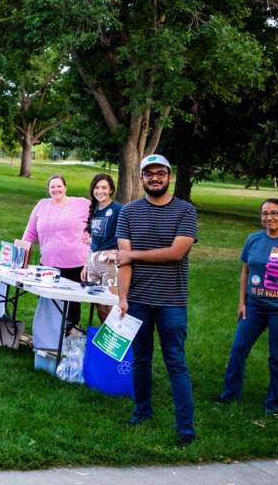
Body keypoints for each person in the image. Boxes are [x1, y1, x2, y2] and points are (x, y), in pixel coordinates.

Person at [115, 154, 198, 446]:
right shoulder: (128, 213)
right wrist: (122, 297)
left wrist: (134, 254)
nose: (155, 178)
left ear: (169, 176)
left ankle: (185, 427)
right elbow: (123, 262)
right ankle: (141, 414)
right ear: (141, 179)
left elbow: (177, 252)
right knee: (140, 361)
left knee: (176, 362)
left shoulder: (186, 211)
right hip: (136, 300)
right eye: (148, 174)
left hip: (171, 302)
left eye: (160, 173)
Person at [215, 198, 278, 414]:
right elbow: (245, 272)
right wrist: (242, 303)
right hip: (255, 306)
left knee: (277, 356)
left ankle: (273, 403)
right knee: (238, 349)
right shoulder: (253, 239)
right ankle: (229, 395)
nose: (269, 217)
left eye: (274, 213)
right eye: (265, 213)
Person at [22, 174, 90, 332]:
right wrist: (19, 255)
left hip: (75, 264)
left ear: (65, 187)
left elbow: (100, 219)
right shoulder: (42, 205)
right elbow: (30, 232)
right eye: (52, 186)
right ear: (48, 190)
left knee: (71, 303)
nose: (56, 189)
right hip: (47, 265)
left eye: (59, 186)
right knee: (47, 300)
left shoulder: (81, 204)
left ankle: (69, 334)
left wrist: (93, 237)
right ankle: (50, 334)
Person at [83, 173, 122, 322]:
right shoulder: (95, 209)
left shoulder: (118, 209)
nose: (100, 191)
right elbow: (94, 238)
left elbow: (128, 235)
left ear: (111, 189)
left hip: (109, 264)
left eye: (104, 187)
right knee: (100, 308)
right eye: (97, 187)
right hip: (94, 262)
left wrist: (117, 253)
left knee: (112, 307)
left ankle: (118, 342)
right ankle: (104, 342)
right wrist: (86, 264)